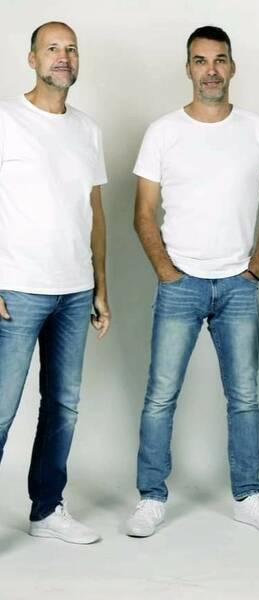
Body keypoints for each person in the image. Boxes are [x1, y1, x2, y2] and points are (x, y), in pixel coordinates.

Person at [127, 26, 259, 537]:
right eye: (201, 61)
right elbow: (143, 212)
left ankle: (248, 494)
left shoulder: (258, 130)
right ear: (188, 68)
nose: (211, 70)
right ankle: (151, 497)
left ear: (232, 67)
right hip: (180, 283)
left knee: (244, 397)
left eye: (220, 60)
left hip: (238, 285)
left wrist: (254, 268)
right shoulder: (163, 131)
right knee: (160, 395)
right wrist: (166, 272)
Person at [0, 22, 110, 544]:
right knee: (1, 409)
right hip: (17, 288)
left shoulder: (87, 129)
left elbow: (94, 212)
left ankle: (47, 510)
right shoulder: (5, 119)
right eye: (52, 49)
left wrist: (100, 284)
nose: (63, 57)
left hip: (75, 289)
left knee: (62, 405)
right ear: (32, 59)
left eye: (71, 48)